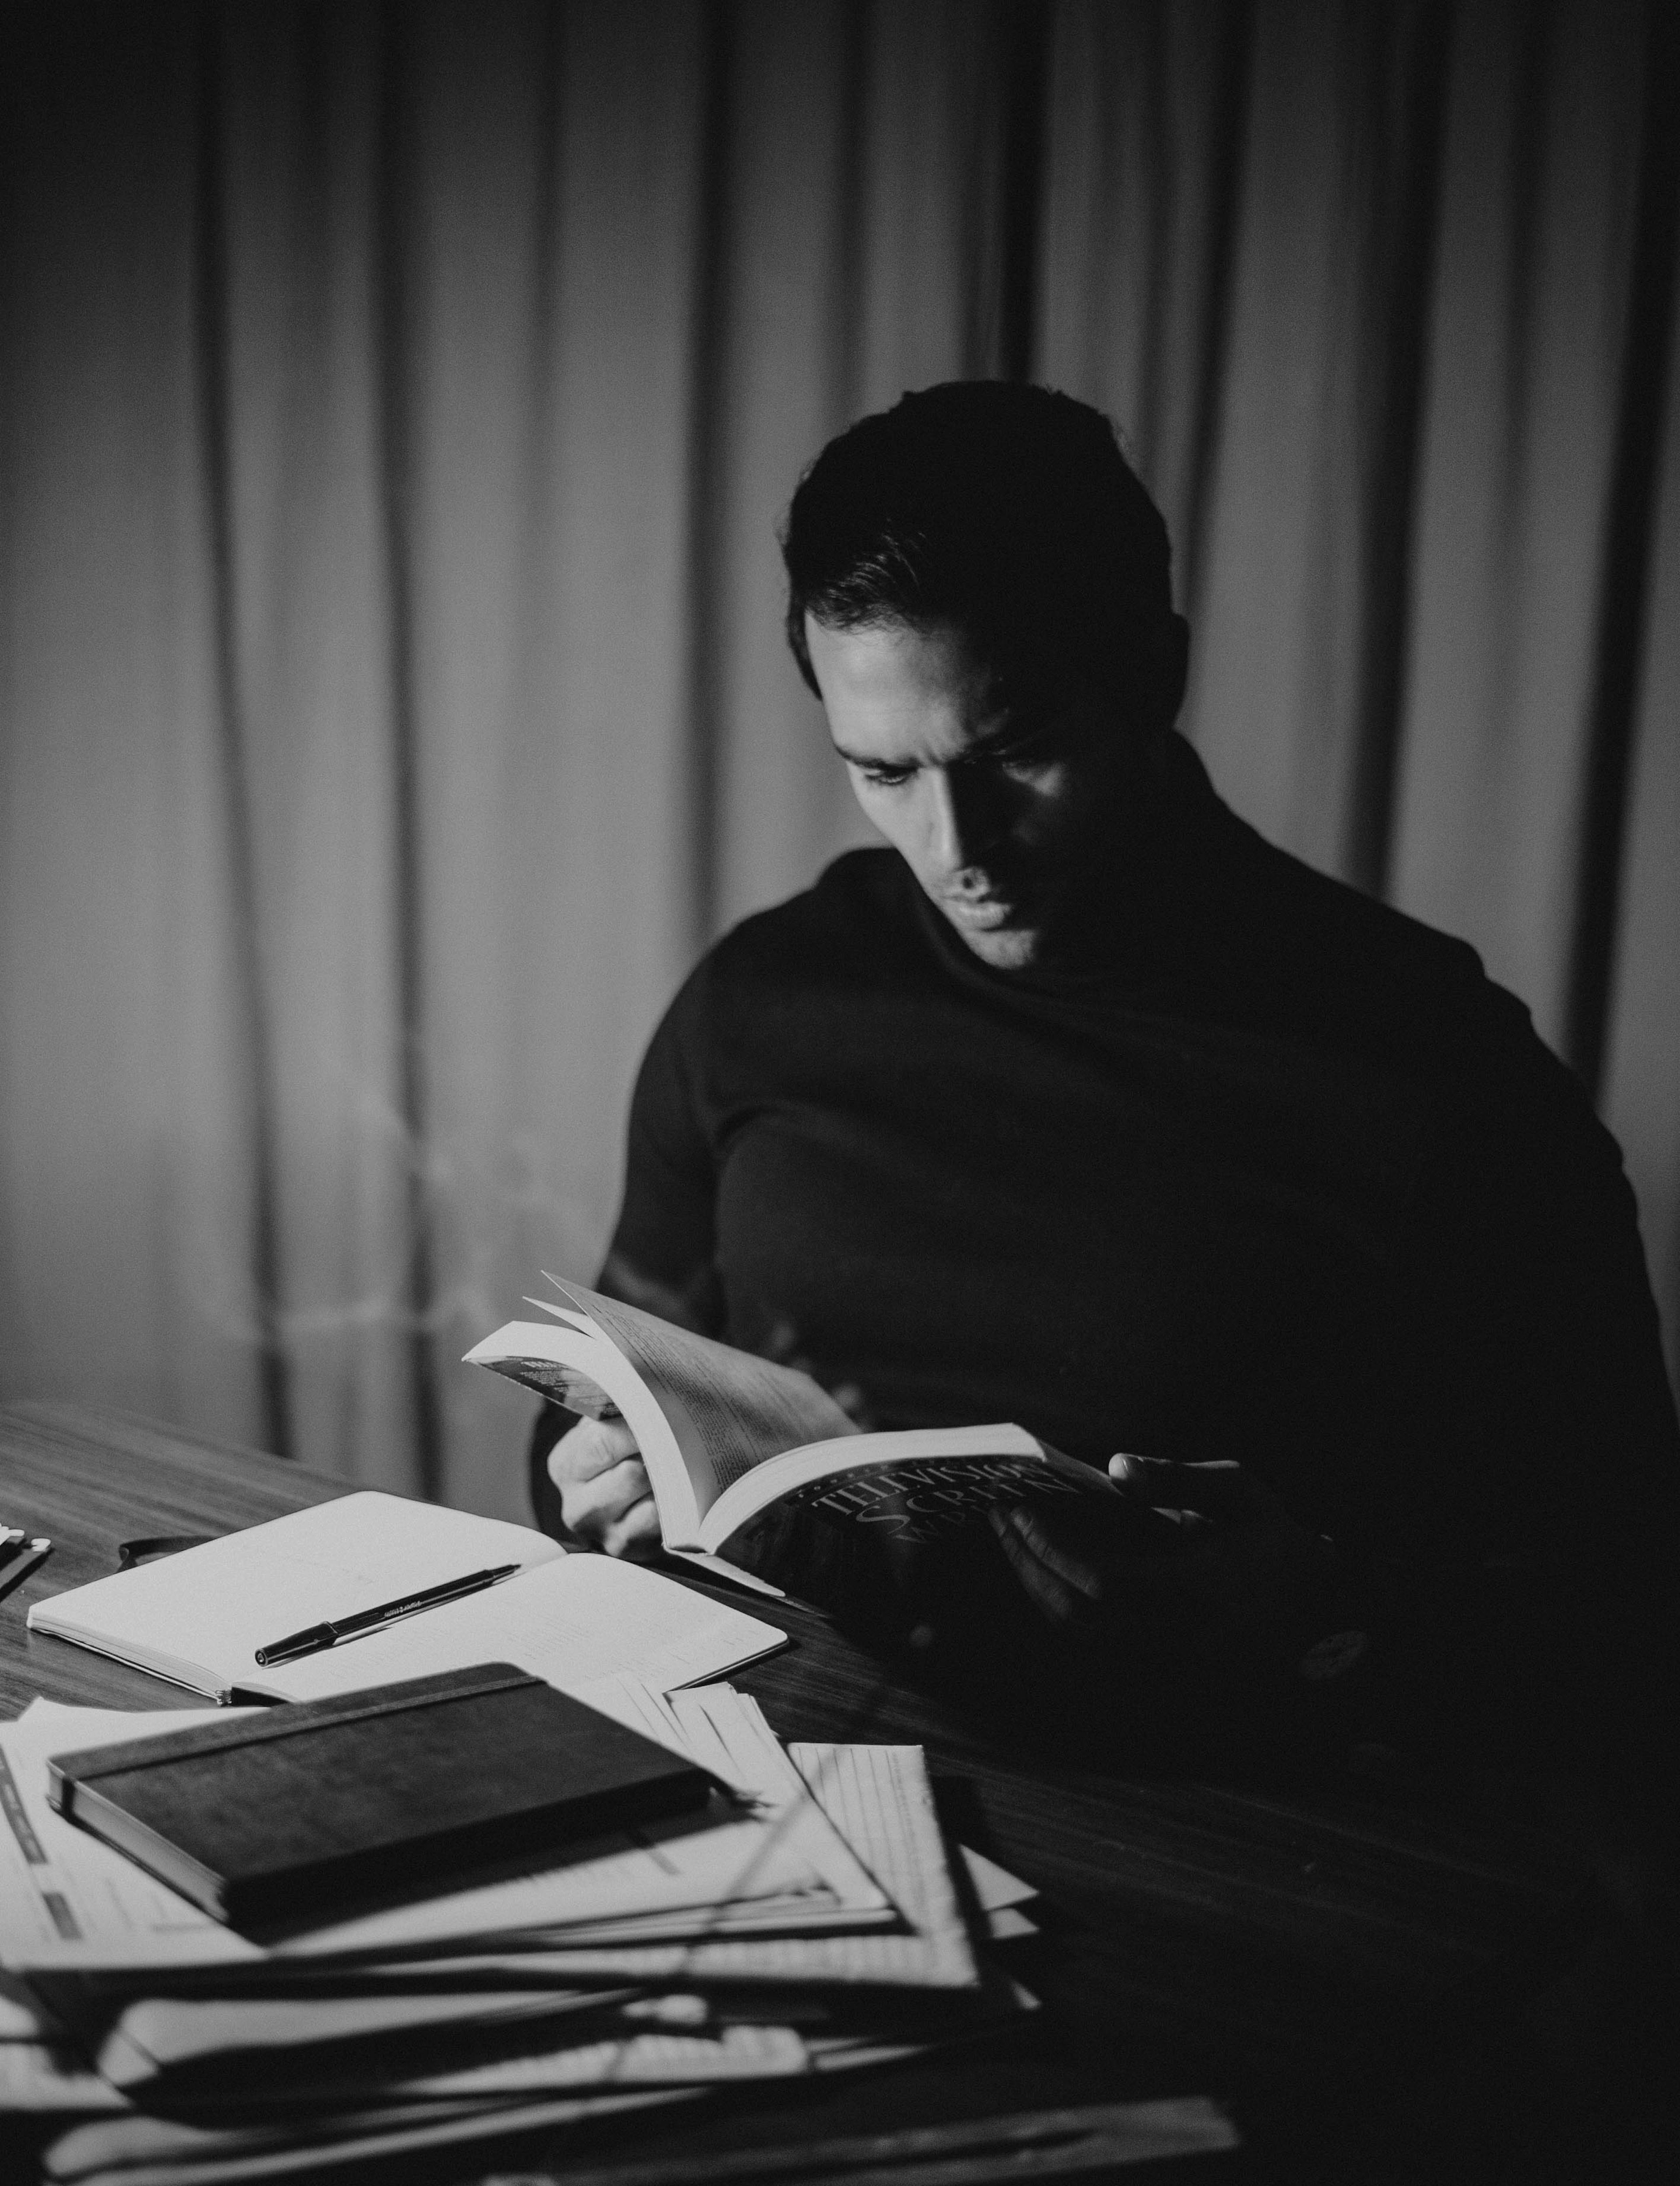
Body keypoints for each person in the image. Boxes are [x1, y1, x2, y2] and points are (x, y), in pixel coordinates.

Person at [534, 381, 1679, 1802]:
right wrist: (599, 1473)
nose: (962, 850)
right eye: (882, 770)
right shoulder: (765, 999)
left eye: (1016, 752)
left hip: (1230, 1833)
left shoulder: (1433, 1065)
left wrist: (1326, 1607)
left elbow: (1628, 1610)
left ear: (1156, 672)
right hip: (776, 1772)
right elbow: (605, 1391)